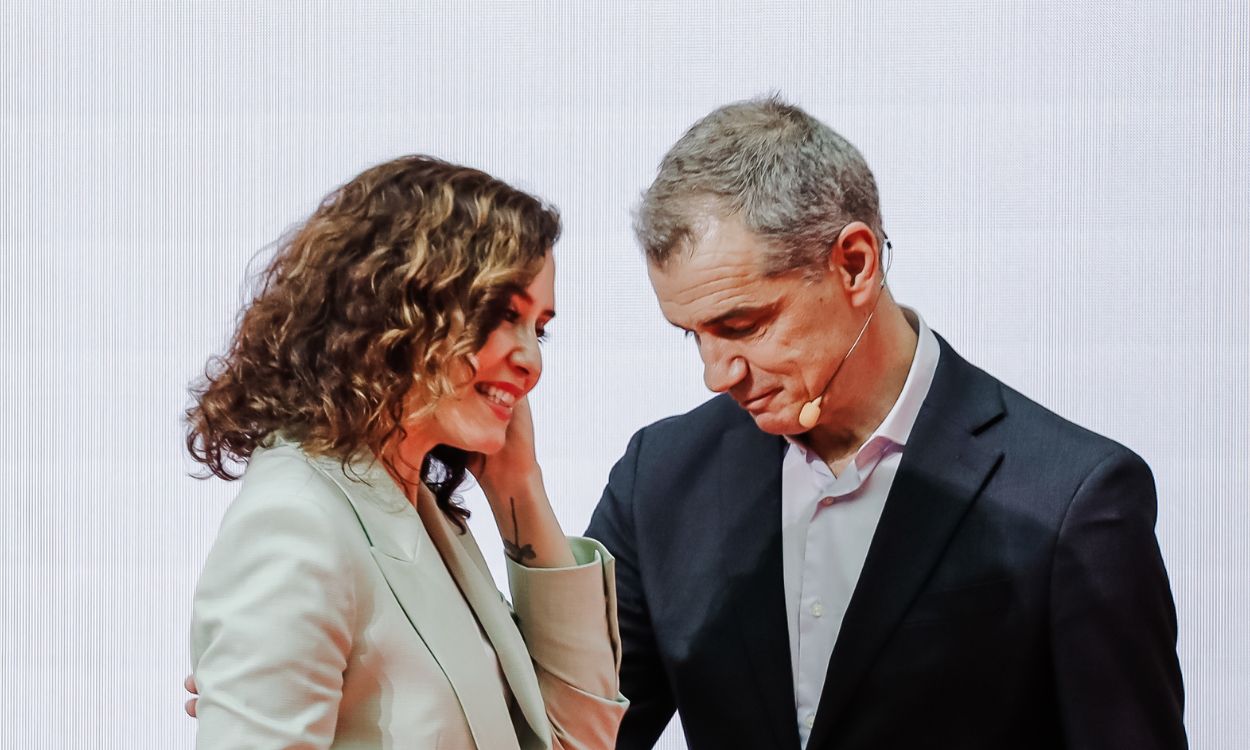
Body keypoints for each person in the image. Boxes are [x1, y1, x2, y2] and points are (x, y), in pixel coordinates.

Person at [584, 96, 1187, 749]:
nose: (717, 373)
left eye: (743, 326)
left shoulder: (1071, 499)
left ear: (855, 264)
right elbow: (575, 731)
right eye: (691, 336)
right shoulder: (662, 476)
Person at [185, 155, 626, 749]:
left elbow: (582, 740)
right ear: (396, 305)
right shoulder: (296, 521)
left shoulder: (422, 511)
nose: (531, 360)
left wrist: (520, 486)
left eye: (538, 327)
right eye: (502, 314)